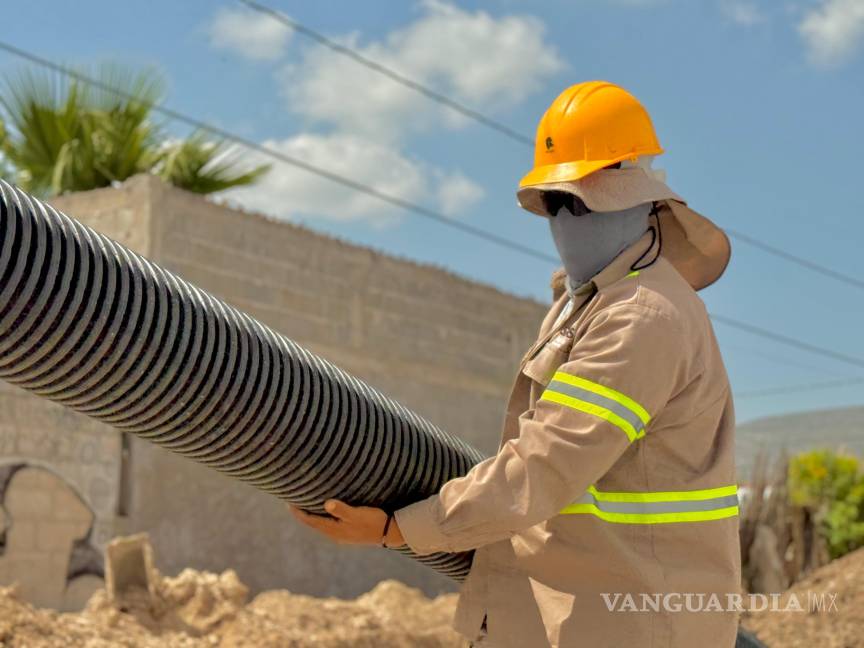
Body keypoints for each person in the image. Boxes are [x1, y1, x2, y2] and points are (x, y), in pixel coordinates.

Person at [290, 80, 741, 647]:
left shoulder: (640, 317)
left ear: (639, 197)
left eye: (578, 202)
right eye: (554, 204)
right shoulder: (588, 305)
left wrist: (396, 528)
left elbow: (542, 467)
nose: (564, 222)